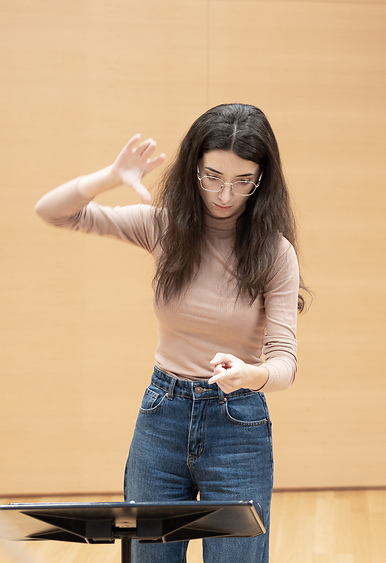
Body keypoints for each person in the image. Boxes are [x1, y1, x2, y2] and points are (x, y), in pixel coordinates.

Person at [35, 103, 306, 563]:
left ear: (262, 179)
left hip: (237, 424)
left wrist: (250, 373)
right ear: (193, 168)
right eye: (212, 177)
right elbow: (53, 212)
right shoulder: (163, 227)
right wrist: (111, 176)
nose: (225, 194)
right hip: (163, 416)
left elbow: (285, 362)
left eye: (243, 181)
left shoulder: (275, 253)